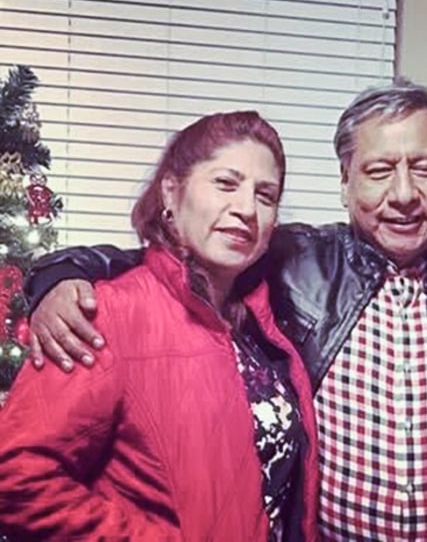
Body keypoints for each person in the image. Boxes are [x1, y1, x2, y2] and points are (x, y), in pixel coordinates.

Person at [22, 79, 427, 540]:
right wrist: (60, 275)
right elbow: (173, 257)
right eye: (378, 172)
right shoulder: (295, 261)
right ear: (346, 183)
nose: (404, 194)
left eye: (426, 168)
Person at [0, 111, 320, 540]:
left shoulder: (263, 328)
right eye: (226, 183)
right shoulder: (105, 313)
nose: (246, 208)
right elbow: (17, 477)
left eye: (266, 195)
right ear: (172, 192)